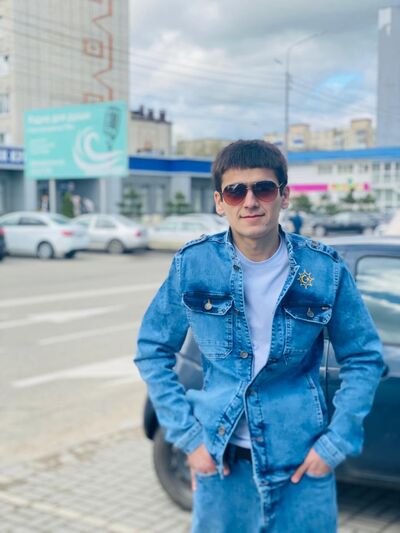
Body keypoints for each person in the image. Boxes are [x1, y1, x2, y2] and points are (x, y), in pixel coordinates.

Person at [135, 140, 383, 532]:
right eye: (236, 191)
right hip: (222, 466)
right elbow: (152, 351)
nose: (250, 201)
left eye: (263, 189)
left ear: (284, 196)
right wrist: (189, 439)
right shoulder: (194, 264)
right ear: (220, 202)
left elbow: (364, 358)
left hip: (301, 470)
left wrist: (335, 443)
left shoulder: (324, 268)